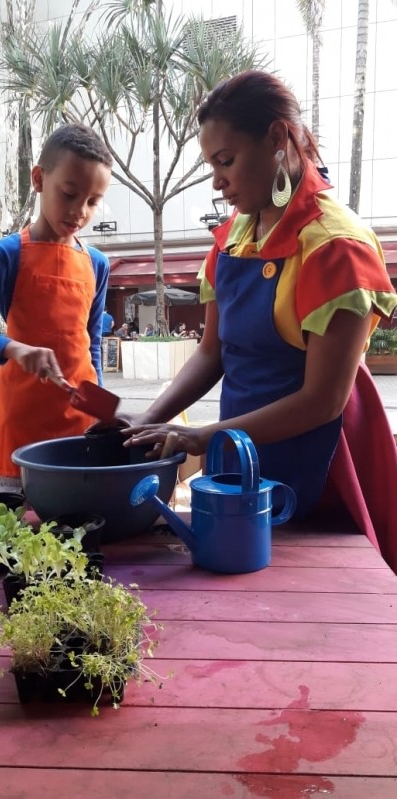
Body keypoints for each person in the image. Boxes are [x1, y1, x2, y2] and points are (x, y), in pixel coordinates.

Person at [120, 70, 397, 573]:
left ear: (276, 138)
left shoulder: (336, 247)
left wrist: (205, 436)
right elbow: (212, 351)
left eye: (226, 161)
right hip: (238, 456)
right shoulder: (232, 238)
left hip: (320, 464)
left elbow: (322, 401)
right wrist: (150, 419)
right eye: (211, 165)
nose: (217, 181)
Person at [0, 122, 112, 493]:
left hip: (79, 427)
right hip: (19, 425)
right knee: (13, 540)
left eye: (92, 201)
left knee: (78, 537)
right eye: (69, 194)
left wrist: (102, 410)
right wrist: (14, 349)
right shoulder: (8, 254)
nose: (79, 212)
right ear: (39, 179)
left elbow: (93, 343)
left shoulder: (97, 264)